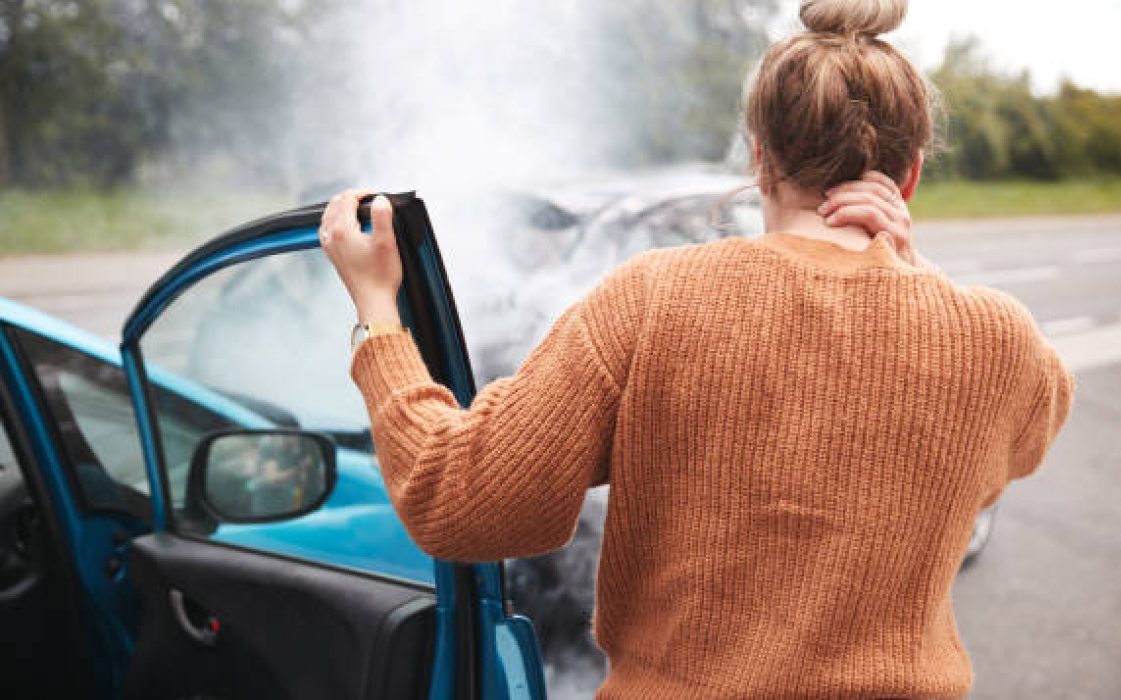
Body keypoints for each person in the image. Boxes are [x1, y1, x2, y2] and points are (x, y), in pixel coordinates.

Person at [319, 0, 1074, 696]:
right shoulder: (995, 340)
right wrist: (912, 272)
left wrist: (379, 316)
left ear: (759, 158)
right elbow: (1035, 426)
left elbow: (464, 502)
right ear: (909, 176)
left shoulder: (651, 299)